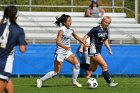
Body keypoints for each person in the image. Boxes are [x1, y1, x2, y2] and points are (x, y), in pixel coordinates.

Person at [36, 14, 89, 88]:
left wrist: (84, 43)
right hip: (60, 52)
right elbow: (57, 42)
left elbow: (76, 37)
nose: (71, 22)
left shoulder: (71, 29)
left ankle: (74, 81)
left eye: (71, 20)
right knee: (56, 72)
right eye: (69, 21)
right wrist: (65, 47)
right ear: (64, 22)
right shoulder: (62, 30)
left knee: (77, 64)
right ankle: (40, 80)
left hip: (67, 52)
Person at [81, 16, 118, 87]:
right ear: (102, 21)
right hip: (93, 50)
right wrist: (82, 47)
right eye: (106, 22)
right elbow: (85, 36)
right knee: (104, 66)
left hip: (98, 51)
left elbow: (105, 40)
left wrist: (109, 49)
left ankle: (77, 64)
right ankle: (109, 82)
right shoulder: (95, 29)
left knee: (92, 69)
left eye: (108, 23)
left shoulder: (106, 30)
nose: (107, 24)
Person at [0, 6, 27, 93]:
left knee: (10, 90)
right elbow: (22, 49)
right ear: (16, 16)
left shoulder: (0, 26)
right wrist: (23, 42)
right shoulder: (18, 30)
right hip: (5, 64)